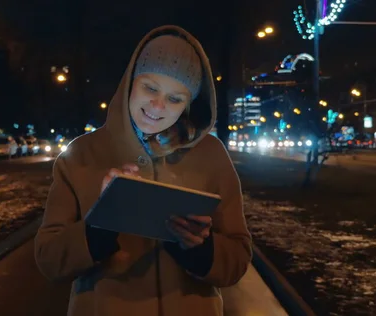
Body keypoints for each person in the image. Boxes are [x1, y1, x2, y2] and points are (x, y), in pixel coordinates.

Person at [35, 25, 252, 316]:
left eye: (175, 99)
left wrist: (200, 249)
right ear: (130, 83)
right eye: (150, 87)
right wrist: (100, 225)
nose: (158, 105)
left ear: (188, 105)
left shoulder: (212, 156)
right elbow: (49, 259)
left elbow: (238, 259)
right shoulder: (82, 154)